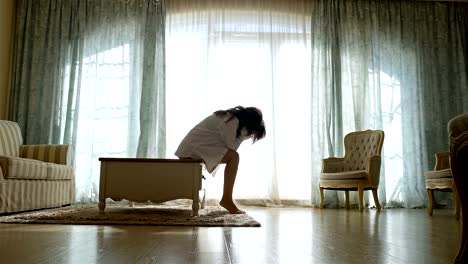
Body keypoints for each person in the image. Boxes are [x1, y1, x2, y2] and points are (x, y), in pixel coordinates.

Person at [175, 106, 266, 214]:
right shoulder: (231, 121)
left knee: (233, 157)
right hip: (192, 149)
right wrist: (243, 137)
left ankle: (227, 199)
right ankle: (226, 199)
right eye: (252, 133)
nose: (250, 135)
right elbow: (232, 147)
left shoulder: (231, 118)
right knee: (234, 157)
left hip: (196, 147)